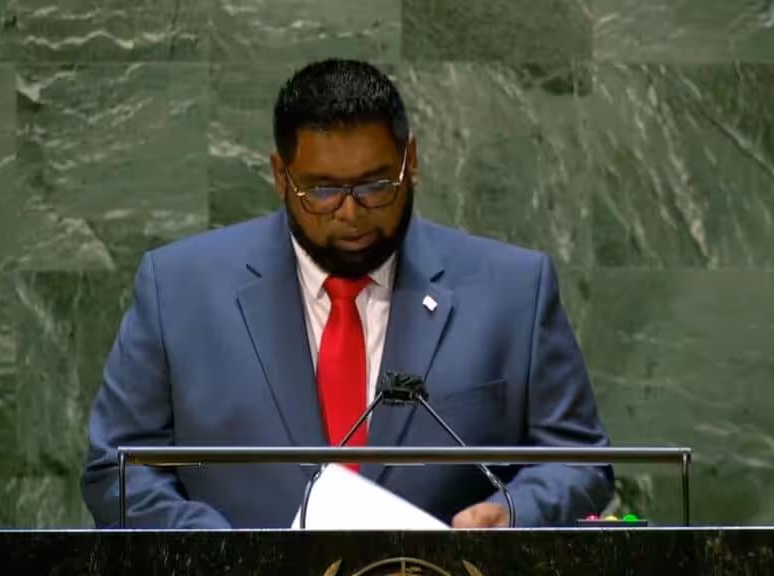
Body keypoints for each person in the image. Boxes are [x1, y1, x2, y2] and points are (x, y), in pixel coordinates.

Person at [81, 59, 613, 529]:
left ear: (413, 163)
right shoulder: (179, 288)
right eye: (323, 191)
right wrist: (220, 553)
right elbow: (119, 470)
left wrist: (514, 512)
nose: (352, 212)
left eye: (377, 184)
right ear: (280, 176)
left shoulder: (513, 291)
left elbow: (579, 461)